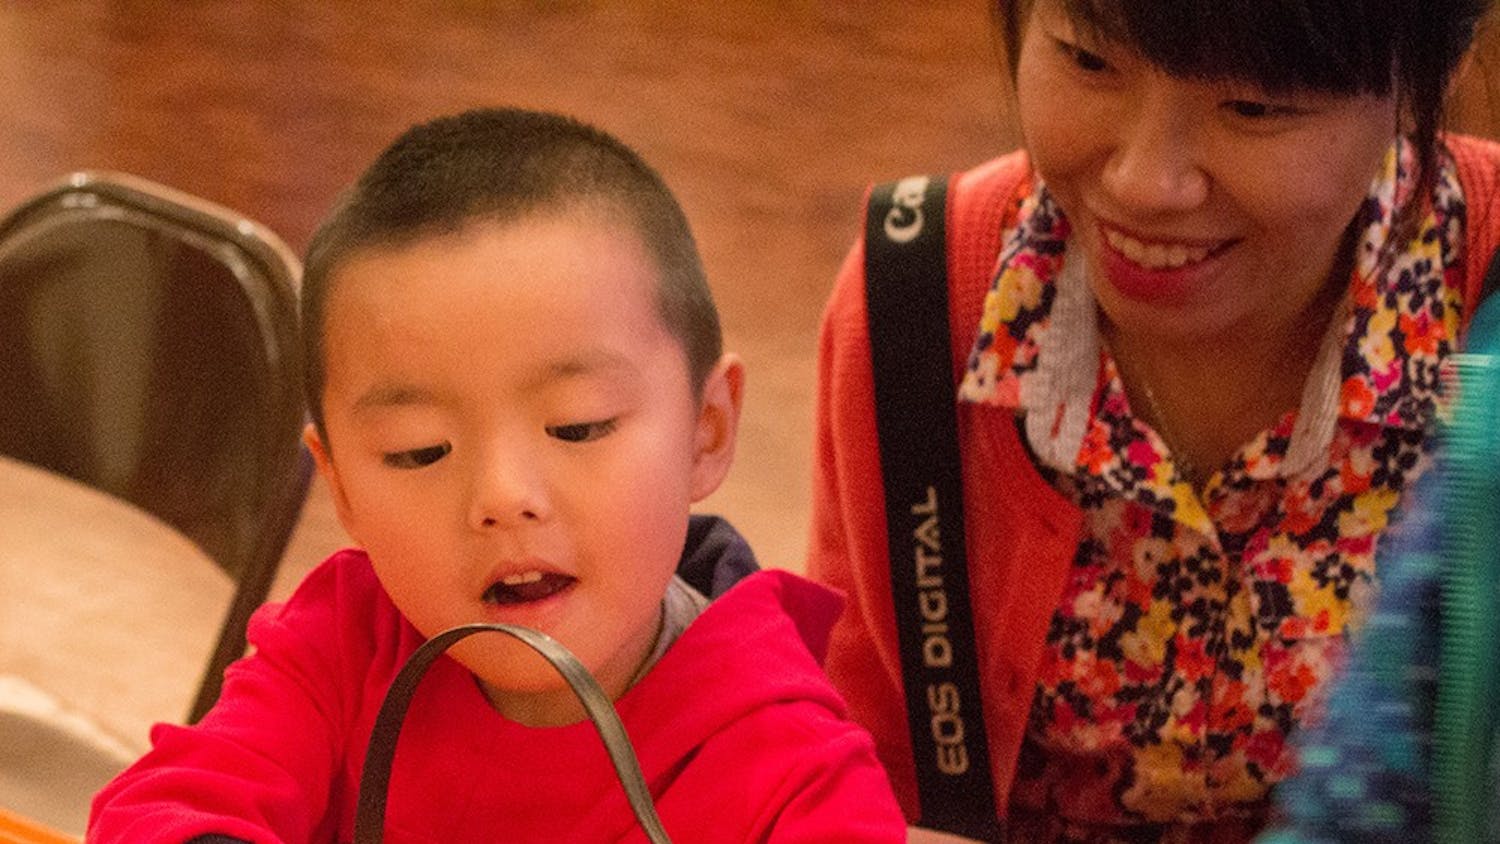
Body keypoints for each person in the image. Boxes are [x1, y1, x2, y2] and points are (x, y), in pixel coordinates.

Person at [88, 107, 906, 843]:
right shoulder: (344, 647)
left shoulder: (790, 776)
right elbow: (163, 807)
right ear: (338, 486)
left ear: (707, 430)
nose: (502, 498)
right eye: (419, 450)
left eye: (577, 426)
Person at [807, 1, 1500, 840]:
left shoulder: (1485, 326)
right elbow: (854, 761)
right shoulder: (918, 305)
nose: (1144, 182)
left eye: (1255, 107)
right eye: (1089, 61)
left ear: (1433, 74)